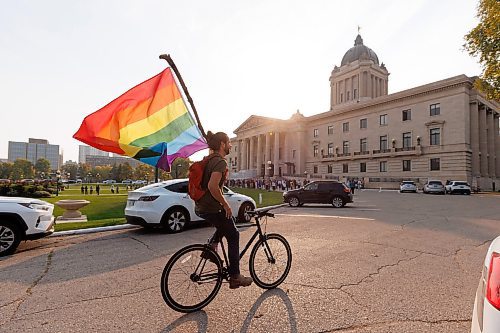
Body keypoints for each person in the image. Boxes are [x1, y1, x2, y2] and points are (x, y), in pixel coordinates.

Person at [195, 131, 253, 289]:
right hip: (212, 207)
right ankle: (235, 276)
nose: (231, 145)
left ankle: (210, 249)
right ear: (222, 144)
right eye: (228, 143)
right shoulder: (219, 162)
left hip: (201, 206)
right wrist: (226, 204)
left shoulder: (209, 159)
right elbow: (212, 186)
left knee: (228, 222)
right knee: (233, 235)